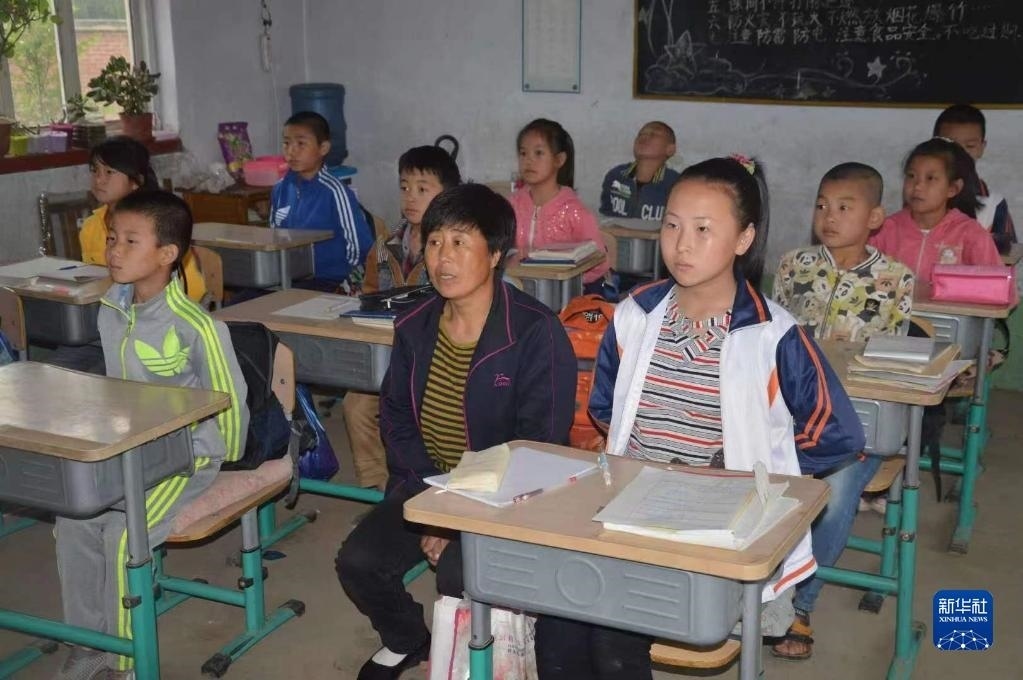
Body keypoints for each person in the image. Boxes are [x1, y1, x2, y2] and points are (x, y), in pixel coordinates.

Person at [534, 156, 865, 679]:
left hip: (713, 523)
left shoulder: (772, 335)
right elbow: (606, 406)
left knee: (613, 635)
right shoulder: (636, 313)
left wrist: (763, 471)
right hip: (630, 506)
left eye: (703, 230)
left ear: (743, 238)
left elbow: (838, 434)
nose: (682, 245)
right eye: (672, 226)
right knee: (556, 623)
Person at [335, 184, 577, 680]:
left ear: (495, 254)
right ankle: (408, 639)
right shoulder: (415, 324)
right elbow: (395, 418)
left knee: (457, 574)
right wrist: (435, 509)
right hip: (427, 485)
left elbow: (538, 446)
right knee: (358, 561)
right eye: (434, 242)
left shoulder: (535, 331)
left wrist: (458, 520)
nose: (442, 258)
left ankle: (487, 653)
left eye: (460, 242)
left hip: (506, 501)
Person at [54, 191, 248, 679]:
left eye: (130, 241)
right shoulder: (110, 309)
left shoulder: (196, 326)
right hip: (130, 450)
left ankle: (123, 661)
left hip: (187, 456)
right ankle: (87, 644)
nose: (114, 251)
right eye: (112, 239)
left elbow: (229, 399)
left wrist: (218, 460)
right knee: (74, 520)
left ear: (167, 254)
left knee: (124, 536)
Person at [771, 162, 915, 660]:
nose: (828, 217)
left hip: (859, 422)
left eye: (844, 207)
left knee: (831, 497)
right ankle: (755, 590)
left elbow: (891, 362)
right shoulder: (793, 264)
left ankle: (800, 605)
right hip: (792, 414)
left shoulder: (895, 278)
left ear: (875, 217)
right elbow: (773, 341)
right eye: (821, 206)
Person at [347, 145, 461, 490]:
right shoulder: (386, 245)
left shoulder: (453, 248)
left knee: (422, 413)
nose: (410, 197)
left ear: (447, 195)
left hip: (435, 359)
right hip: (386, 354)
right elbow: (369, 291)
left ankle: (426, 485)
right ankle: (377, 488)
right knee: (356, 405)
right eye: (404, 187)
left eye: (422, 189)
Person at [79, 136, 207, 304]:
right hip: (114, 307)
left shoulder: (157, 224)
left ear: (136, 181)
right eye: (95, 170)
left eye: (109, 172)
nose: (98, 179)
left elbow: (193, 289)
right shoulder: (89, 227)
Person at [870, 137, 1001, 286]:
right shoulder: (883, 231)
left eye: (930, 178)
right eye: (911, 176)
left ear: (953, 188)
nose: (917, 186)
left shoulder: (971, 235)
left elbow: (997, 287)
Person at [270, 111, 373, 292]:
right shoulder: (280, 189)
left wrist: (346, 280)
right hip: (289, 278)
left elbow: (360, 247)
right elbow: (274, 237)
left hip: (330, 280)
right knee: (242, 303)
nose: (291, 151)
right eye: (286, 143)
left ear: (323, 148)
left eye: (301, 143)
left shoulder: (335, 191)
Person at [508, 118, 610, 290]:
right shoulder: (511, 205)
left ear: (559, 160)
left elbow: (600, 261)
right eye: (523, 153)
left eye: (538, 153)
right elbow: (496, 250)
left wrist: (568, 282)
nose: (528, 160)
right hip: (517, 291)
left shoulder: (574, 211)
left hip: (562, 296)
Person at [933, 104, 1016, 247]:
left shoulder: (994, 205)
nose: (960, 154)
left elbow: (1006, 255)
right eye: (950, 145)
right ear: (933, 145)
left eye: (970, 146)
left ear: (982, 148)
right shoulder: (921, 194)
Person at [599, 120, 680, 222]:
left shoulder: (676, 184)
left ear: (670, 150)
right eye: (641, 134)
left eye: (653, 134)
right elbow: (606, 220)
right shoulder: (616, 176)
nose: (644, 137)